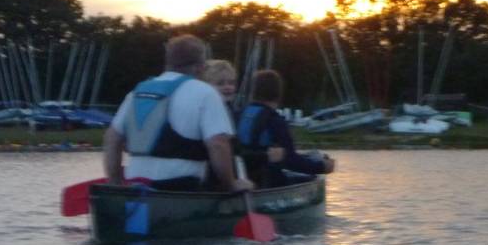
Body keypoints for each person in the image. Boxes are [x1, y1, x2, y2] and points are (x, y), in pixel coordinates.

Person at [103, 35, 254, 192]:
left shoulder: (137, 91)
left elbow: (112, 139)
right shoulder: (205, 93)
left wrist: (116, 183)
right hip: (181, 187)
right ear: (201, 66)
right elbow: (218, 144)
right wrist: (231, 185)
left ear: (168, 62)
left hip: (136, 182)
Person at [236, 69, 335, 188]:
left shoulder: (239, 114)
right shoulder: (275, 121)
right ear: (278, 94)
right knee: (313, 179)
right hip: (267, 182)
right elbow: (290, 160)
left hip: (241, 178)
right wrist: (322, 167)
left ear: (253, 92)